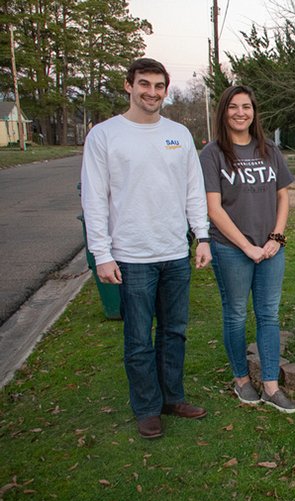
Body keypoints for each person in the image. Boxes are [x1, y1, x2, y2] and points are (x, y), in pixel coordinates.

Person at [81, 58, 211, 439]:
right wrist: (101, 254)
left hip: (174, 252)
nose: (151, 92)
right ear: (128, 86)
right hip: (131, 255)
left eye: (158, 86)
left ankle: (172, 398)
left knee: (174, 332)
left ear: (166, 91)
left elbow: (193, 191)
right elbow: (94, 199)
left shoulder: (179, 134)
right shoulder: (105, 136)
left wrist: (201, 238)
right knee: (139, 338)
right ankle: (147, 408)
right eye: (144, 84)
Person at [199, 85, 295, 413]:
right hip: (231, 249)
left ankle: (270, 384)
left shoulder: (269, 149)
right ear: (223, 111)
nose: (240, 113)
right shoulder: (212, 154)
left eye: (246, 107)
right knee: (236, 313)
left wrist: (276, 239)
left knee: (269, 313)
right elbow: (214, 208)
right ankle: (242, 379)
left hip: (271, 249)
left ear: (254, 112)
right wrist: (247, 247)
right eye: (233, 107)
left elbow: (283, 196)